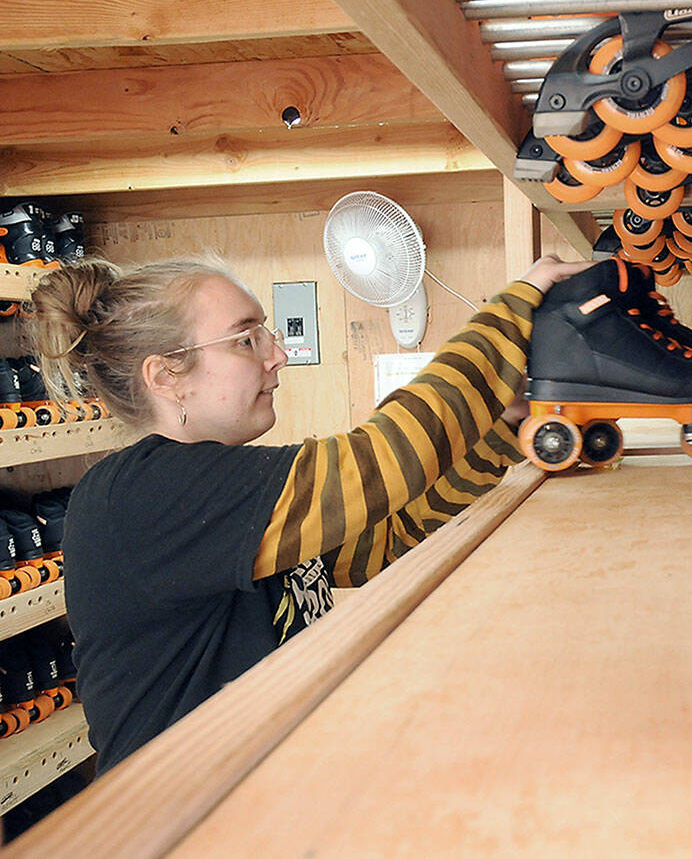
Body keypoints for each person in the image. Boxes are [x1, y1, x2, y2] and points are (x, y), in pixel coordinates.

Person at [28, 253, 591, 772]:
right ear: (165, 376)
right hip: (179, 823)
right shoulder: (138, 494)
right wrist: (514, 308)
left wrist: (503, 423)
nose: (278, 353)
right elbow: (378, 461)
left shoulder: (223, 488)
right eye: (245, 340)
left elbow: (389, 535)